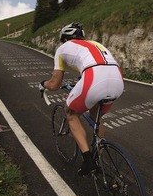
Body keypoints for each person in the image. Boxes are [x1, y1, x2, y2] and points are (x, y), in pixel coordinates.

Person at [39, 22, 124, 176]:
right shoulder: (95, 44)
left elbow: (55, 84)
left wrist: (43, 84)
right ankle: (99, 152)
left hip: (93, 77)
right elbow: (95, 65)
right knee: (96, 116)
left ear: (64, 38)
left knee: (71, 113)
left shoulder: (62, 49)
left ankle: (88, 162)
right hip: (117, 79)